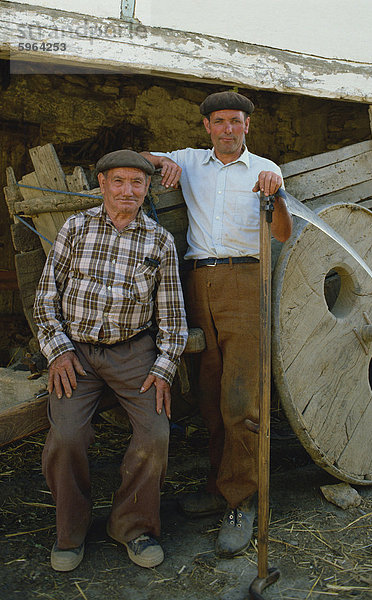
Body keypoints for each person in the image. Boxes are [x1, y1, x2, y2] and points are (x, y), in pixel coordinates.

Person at [142, 91, 292, 558]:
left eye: (237, 121)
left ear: (248, 126)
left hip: (247, 279)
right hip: (197, 281)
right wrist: (158, 164)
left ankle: (240, 500)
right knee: (207, 393)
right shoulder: (190, 161)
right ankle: (218, 486)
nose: (229, 129)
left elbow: (282, 233)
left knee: (242, 396)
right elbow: (141, 158)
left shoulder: (267, 169)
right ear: (207, 126)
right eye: (220, 121)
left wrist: (277, 194)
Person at [33, 150, 188, 572]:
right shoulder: (76, 227)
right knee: (65, 439)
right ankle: (71, 532)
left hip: (133, 352)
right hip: (76, 353)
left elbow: (173, 316)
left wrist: (163, 368)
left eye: (137, 183)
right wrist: (58, 350)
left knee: (155, 434)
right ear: (102, 185)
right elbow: (46, 298)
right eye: (118, 182)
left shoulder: (158, 240)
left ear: (147, 189)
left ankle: (132, 527)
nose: (128, 191)